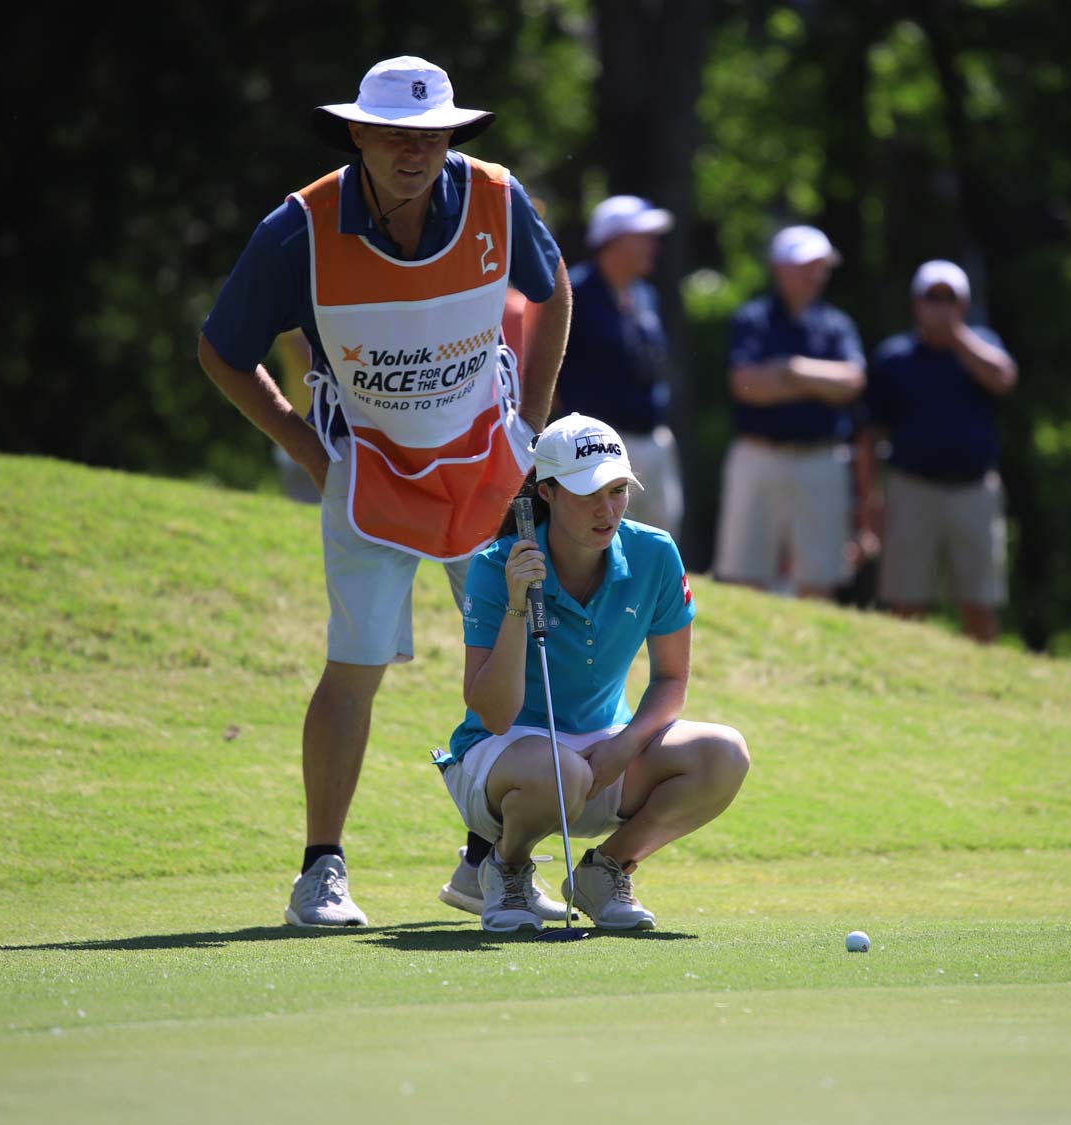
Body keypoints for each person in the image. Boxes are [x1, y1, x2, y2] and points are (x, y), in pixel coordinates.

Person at [197, 56, 573, 927]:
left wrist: (531, 427)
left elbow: (554, 293)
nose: (417, 152)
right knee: (353, 668)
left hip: (484, 461)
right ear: (359, 134)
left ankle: (491, 863)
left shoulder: (494, 196)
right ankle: (319, 871)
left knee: (515, 667)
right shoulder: (299, 227)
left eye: (433, 134)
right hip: (366, 472)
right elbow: (222, 349)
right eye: (399, 136)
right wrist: (304, 449)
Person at [435, 414, 750, 932]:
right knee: (559, 771)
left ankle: (605, 872)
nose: (608, 511)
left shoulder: (655, 553)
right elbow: (492, 714)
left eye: (618, 491)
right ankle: (505, 870)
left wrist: (625, 746)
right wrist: (517, 607)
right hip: (504, 761)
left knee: (724, 753)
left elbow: (671, 680)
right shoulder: (498, 564)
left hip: (606, 753)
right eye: (589, 495)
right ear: (549, 492)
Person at [858, 260, 1019, 643]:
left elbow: (1003, 378)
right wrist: (870, 498)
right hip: (912, 490)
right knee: (906, 602)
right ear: (916, 304)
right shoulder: (896, 358)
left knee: (979, 601)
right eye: (933, 298)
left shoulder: (983, 345)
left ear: (965, 305)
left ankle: (987, 687)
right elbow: (869, 434)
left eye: (951, 299)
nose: (941, 307)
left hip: (974, 490)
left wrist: (957, 336)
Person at [715, 225, 866, 599]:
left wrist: (791, 368)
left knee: (819, 577)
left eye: (820, 267)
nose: (814, 275)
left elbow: (851, 383)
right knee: (745, 573)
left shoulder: (837, 324)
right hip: (759, 455)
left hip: (821, 459)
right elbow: (746, 386)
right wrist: (818, 384)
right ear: (780, 268)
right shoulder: (753, 319)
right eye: (805, 266)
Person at [554, 196, 684, 533]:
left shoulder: (644, 294)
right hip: (598, 447)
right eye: (642, 237)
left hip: (653, 438)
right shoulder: (575, 292)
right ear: (613, 240)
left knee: (658, 542)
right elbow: (549, 369)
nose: (652, 246)